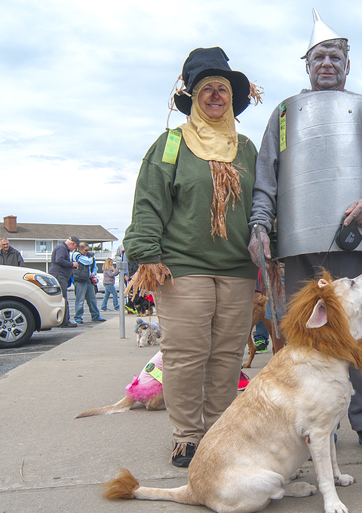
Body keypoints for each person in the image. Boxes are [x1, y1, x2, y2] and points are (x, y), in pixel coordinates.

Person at [248, 9, 362, 462]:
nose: (327, 64)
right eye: (318, 57)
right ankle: (320, 427)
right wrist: (260, 224)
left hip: (361, 244)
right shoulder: (282, 114)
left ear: (347, 65)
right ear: (307, 66)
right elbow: (265, 179)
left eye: (335, 56)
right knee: (305, 338)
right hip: (298, 247)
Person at [124, 47, 260, 468]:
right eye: (207, 88)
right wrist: (147, 254)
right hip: (183, 269)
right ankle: (187, 435)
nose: (216, 95)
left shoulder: (247, 149)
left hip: (238, 271)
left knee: (226, 356)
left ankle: (218, 430)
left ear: (232, 98)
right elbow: (149, 202)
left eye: (223, 88)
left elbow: (264, 203)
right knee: (186, 356)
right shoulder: (171, 144)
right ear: (193, 96)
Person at [49, 236, 80, 328]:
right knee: (63, 298)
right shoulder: (61, 248)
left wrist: (70, 266)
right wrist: (72, 264)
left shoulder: (62, 248)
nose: (73, 250)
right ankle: (64, 321)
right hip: (59, 276)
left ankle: (62, 320)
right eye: (74, 247)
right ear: (73, 243)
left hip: (60, 275)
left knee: (61, 298)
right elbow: (59, 260)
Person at [72, 242, 105, 324]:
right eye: (85, 250)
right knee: (80, 300)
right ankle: (78, 317)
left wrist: (94, 273)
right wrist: (92, 258)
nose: (87, 252)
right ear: (80, 249)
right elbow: (87, 262)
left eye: (88, 250)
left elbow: (94, 266)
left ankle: (95, 316)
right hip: (79, 280)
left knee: (92, 299)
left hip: (88, 279)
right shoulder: (76, 254)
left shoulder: (89, 256)